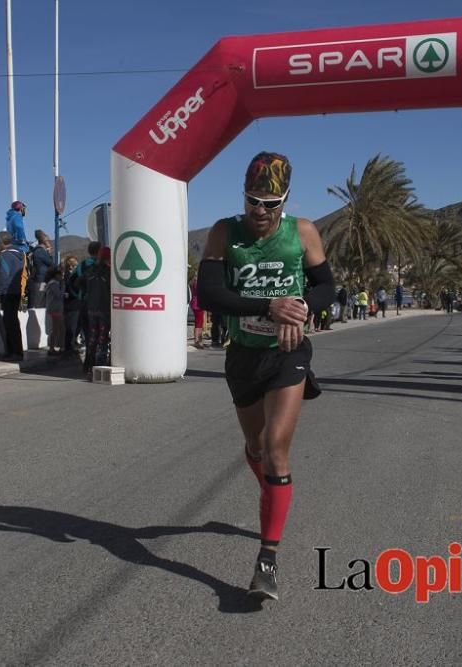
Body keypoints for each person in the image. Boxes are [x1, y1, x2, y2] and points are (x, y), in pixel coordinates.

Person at [197, 151, 335, 602]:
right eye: (253, 200)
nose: (260, 211)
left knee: (276, 450)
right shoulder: (225, 233)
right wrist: (266, 306)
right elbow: (210, 294)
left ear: (285, 200)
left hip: (287, 354)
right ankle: (273, 493)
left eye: (270, 203)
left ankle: (266, 561)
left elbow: (327, 287)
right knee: (256, 448)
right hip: (243, 356)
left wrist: (301, 308)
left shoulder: (303, 233)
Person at [0, 231, 26, 360]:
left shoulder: (5, 256)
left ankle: (13, 352)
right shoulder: (20, 255)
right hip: (18, 291)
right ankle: (18, 351)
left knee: (9, 323)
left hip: (8, 293)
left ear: (2, 242)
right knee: (14, 322)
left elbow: (3, 276)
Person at [83, 246, 112, 374]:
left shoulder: (89, 270)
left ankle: (89, 364)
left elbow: (77, 283)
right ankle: (100, 364)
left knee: (92, 336)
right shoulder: (109, 272)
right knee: (103, 337)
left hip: (91, 308)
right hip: (105, 308)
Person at [30, 230, 54, 308]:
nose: (49, 242)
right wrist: (50, 254)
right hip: (41, 281)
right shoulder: (40, 252)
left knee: (42, 303)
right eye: (48, 240)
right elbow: (51, 263)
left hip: (42, 280)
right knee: (40, 303)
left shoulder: (39, 251)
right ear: (44, 241)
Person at [44, 267, 65, 355]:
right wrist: (63, 288)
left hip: (55, 308)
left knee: (59, 328)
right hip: (55, 309)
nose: (62, 277)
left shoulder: (52, 283)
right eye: (61, 275)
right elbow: (58, 295)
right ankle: (52, 348)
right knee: (57, 329)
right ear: (56, 275)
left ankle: (58, 347)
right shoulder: (53, 284)